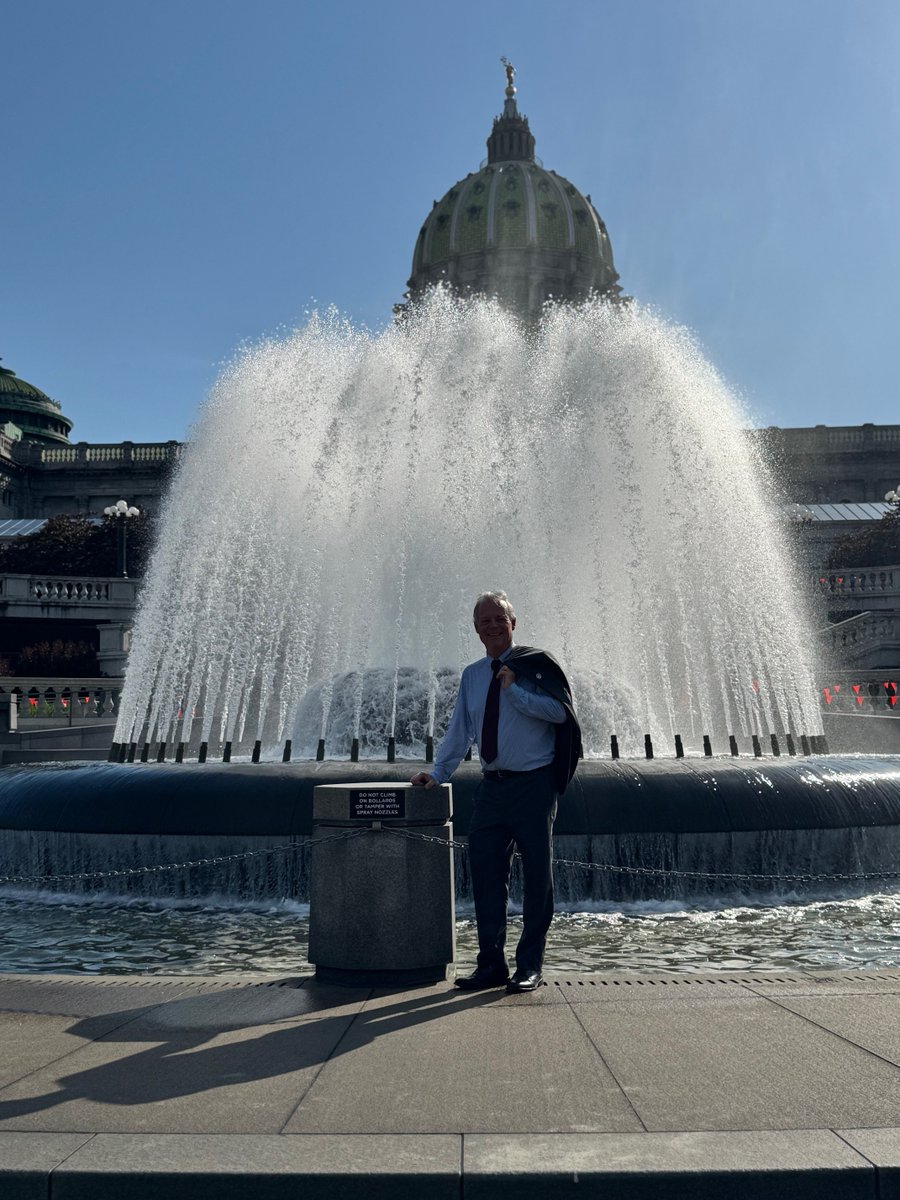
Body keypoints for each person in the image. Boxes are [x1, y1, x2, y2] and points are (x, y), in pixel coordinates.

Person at [411, 591, 581, 993]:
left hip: (535, 786)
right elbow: (460, 731)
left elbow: (561, 714)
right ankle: (491, 963)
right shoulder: (472, 676)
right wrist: (438, 773)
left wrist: (515, 691)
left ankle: (530, 966)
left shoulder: (536, 665)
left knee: (538, 878)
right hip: (493, 787)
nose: (492, 625)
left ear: (513, 623)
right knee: (486, 875)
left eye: (499, 619)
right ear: (476, 629)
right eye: (484, 620)